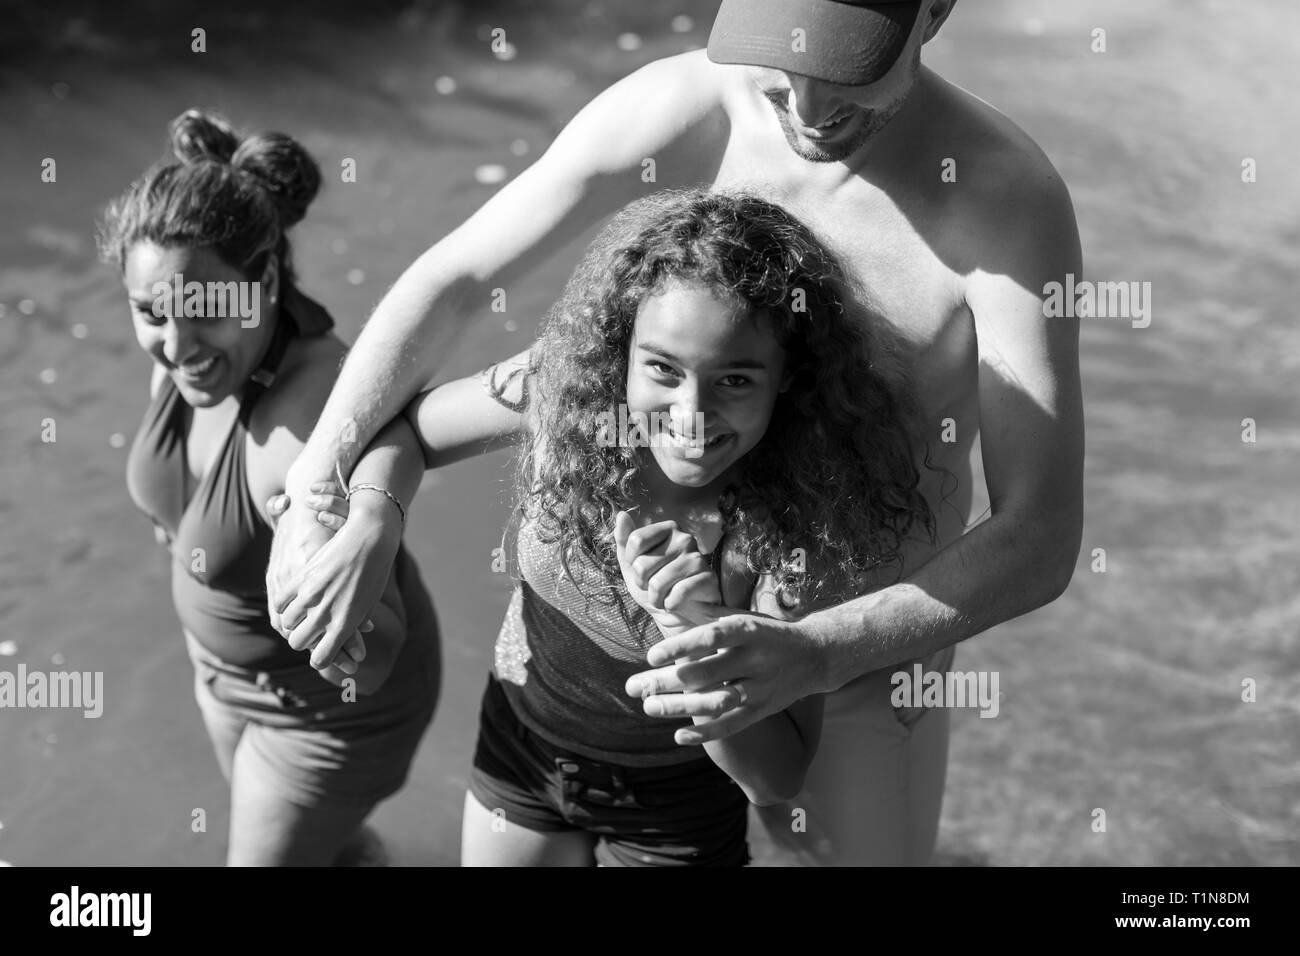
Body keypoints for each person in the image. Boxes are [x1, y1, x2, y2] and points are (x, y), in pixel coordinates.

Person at [268, 0, 1084, 866]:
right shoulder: (683, 108)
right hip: (628, 677)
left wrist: (811, 655)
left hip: (863, 662)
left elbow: (1039, 531)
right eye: (782, 70)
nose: (807, 113)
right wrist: (324, 488)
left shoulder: (1004, 200)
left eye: (849, 70)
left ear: (934, 10)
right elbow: (461, 277)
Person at [276, 190, 936, 865]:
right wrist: (374, 521)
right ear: (620, 350)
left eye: (734, 380)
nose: (691, 413)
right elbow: (410, 432)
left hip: (675, 809)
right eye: (662, 370)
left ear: (788, 377)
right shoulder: (563, 394)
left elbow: (774, 777)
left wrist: (693, 633)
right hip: (519, 754)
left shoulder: (789, 532)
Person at [103, 110, 441, 866]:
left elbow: (378, 649)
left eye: (203, 312)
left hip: (328, 718)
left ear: (263, 280)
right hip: (223, 675)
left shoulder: (307, 429)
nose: (178, 345)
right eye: (150, 313)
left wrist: (334, 624)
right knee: (334, 851)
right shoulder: (191, 353)